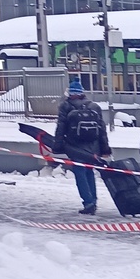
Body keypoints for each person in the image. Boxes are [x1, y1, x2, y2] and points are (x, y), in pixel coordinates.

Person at [52, 79, 111, 215]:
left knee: (80, 173)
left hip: (75, 147)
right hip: (93, 147)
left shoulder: (65, 106)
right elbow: (102, 130)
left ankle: (88, 202)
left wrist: (57, 146)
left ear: (71, 93)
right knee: (89, 172)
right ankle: (93, 201)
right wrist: (105, 149)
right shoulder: (94, 107)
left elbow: (61, 128)